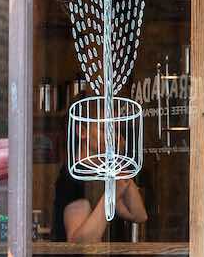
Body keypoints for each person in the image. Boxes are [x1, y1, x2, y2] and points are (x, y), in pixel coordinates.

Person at [52, 97, 148, 243]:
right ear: (82, 131)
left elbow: (139, 215)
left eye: (115, 130)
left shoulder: (103, 172)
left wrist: (119, 162)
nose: (113, 137)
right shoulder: (73, 178)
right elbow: (79, 242)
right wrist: (112, 193)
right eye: (105, 129)